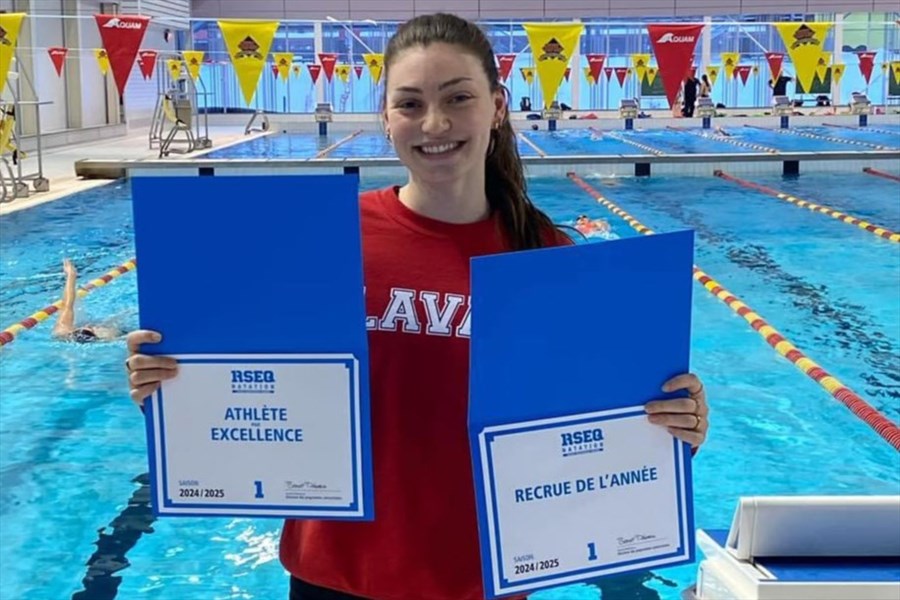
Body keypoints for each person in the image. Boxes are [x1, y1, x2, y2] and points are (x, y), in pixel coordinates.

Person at [124, 13, 710, 600]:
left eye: (458, 98)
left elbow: (594, 427)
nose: (435, 123)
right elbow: (243, 387)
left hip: (482, 580)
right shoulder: (323, 242)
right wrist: (172, 383)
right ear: (386, 117)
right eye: (410, 104)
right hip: (335, 573)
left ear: (498, 107)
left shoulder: (546, 257)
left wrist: (671, 424)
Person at [52, 259, 121, 343]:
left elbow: (68, 304)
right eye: (91, 328)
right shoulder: (107, 337)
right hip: (108, 336)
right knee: (113, 325)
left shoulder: (62, 332)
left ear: (71, 333)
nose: (88, 325)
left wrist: (71, 275)